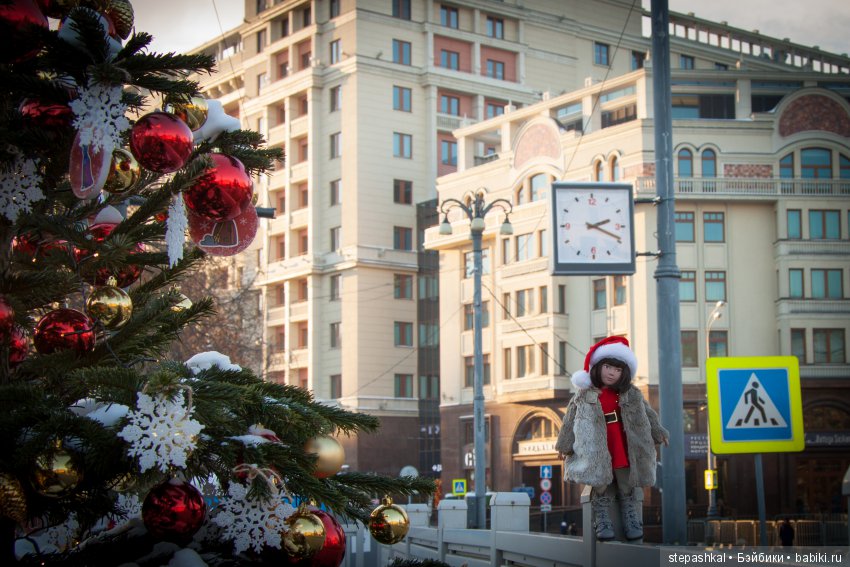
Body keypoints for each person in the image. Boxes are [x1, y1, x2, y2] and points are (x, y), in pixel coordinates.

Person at [555, 336, 669, 541]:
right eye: (608, 366)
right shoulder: (584, 394)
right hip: (596, 441)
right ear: (598, 367)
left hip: (622, 439)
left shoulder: (630, 394)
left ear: (624, 373)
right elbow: (569, 419)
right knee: (599, 476)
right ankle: (602, 514)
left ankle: (629, 510)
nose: (611, 373)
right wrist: (564, 444)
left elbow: (648, 412)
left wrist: (658, 431)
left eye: (617, 369)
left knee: (625, 473)